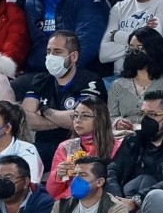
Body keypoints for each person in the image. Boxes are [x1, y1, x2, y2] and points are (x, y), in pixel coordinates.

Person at [21, 30, 107, 172]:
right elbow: (26, 118)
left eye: (57, 52)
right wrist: (64, 119)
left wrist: (44, 111)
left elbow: (84, 120)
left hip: (79, 146)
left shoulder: (90, 81)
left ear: (73, 56)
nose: (50, 56)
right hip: (43, 147)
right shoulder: (41, 81)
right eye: (48, 51)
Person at [108, 27, 163, 131]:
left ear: (154, 50)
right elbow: (110, 119)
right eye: (131, 48)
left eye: (140, 48)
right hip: (126, 139)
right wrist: (117, 122)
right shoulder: (117, 85)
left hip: (159, 138)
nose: (134, 53)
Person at [47, 98, 121, 200]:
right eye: (75, 115)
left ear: (100, 119)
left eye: (85, 116)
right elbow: (51, 193)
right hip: (67, 202)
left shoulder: (116, 147)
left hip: (100, 200)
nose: (78, 120)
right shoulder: (65, 147)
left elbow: (113, 184)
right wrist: (58, 176)